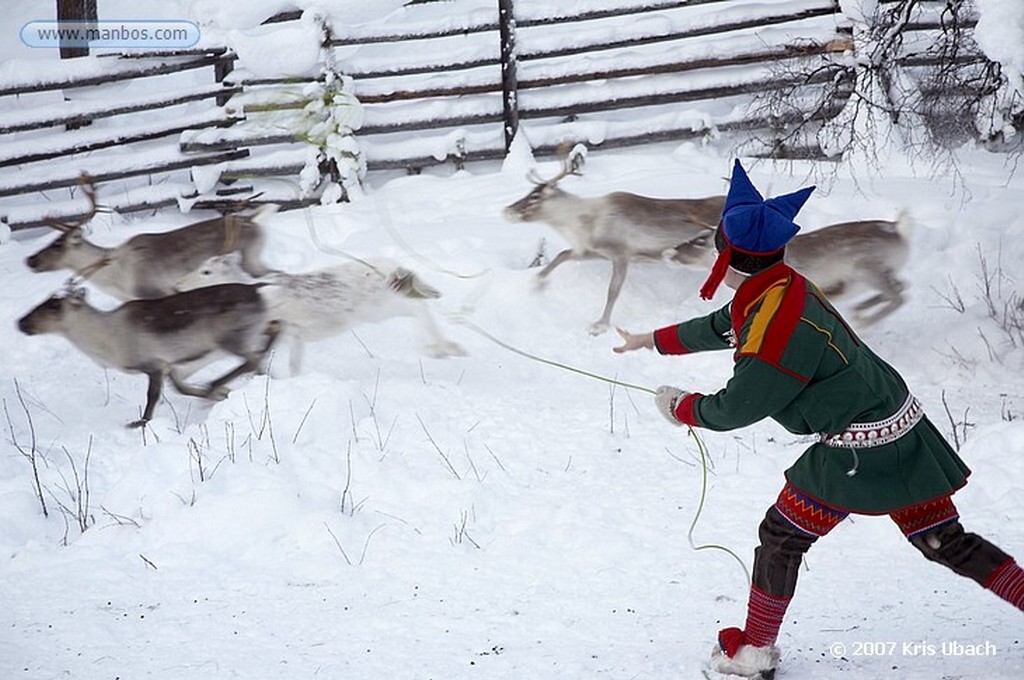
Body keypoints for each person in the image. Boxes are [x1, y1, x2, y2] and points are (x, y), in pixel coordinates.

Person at [613, 159, 1023, 679]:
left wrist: (682, 408)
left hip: (862, 445)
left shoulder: (780, 322)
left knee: (782, 534)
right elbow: (725, 324)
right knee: (942, 540)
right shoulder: (778, 286)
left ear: (727, 252)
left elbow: (739, 404)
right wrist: (653, 341)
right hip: (896, 422)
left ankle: (755, 652)